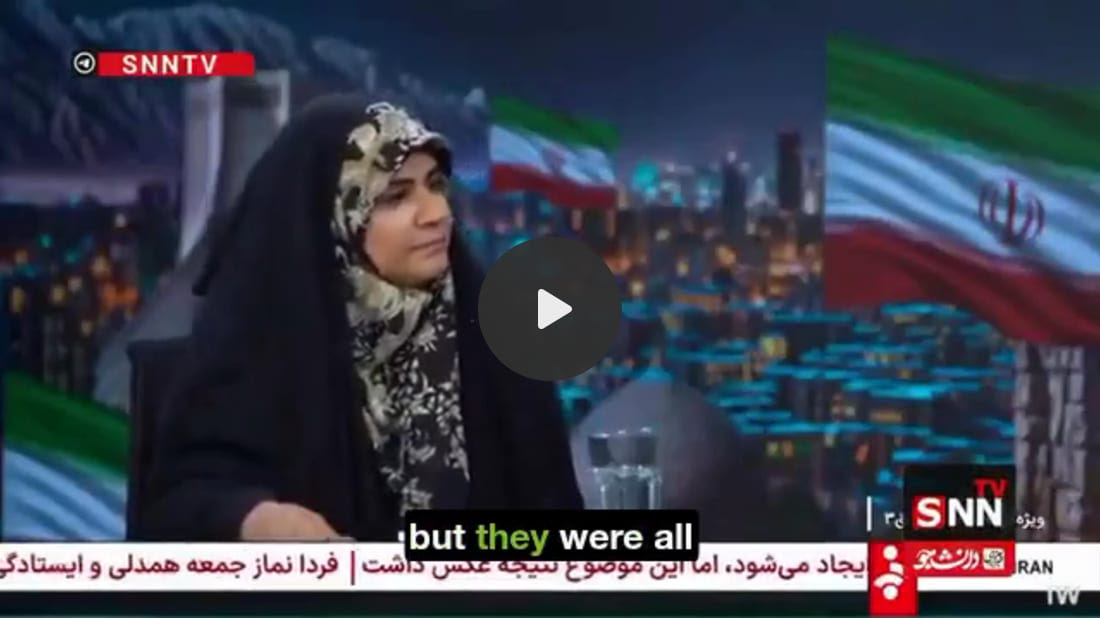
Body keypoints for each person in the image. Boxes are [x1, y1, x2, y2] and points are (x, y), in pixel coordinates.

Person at [141, 96, 583, 541]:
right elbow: (179, 500)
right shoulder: (257, 350)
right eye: (396, 196)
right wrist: (254, 518)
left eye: (435, 185)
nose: (437, 214)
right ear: (334, 220)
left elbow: (562, 533)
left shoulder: (501, 346)